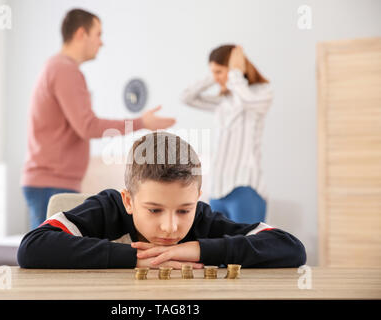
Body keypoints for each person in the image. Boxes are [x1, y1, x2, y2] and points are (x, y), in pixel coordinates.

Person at [17, 131, 306, 269]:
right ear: (128, 200)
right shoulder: (107, 208)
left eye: (184, 210)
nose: (170, 227)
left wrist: (197, 250)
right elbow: (32, 248)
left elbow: (291, 248)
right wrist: (140, 259)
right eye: (154, 210)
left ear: (197, 198)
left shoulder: (203, 218)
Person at [21, 9, 175, 230]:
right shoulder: (65, 70)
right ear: (81, 33)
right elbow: (87, 126)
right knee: (50, 258)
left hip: (48, 180)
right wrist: (141, 123)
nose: (101, 43)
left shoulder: (56, 67)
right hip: (51, 183)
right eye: (98, 34)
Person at [181, 44, 272, 224]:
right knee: (217, 250)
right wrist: (213, 76)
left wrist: (236, 72)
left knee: (247, 249)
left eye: (219, 71)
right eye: (213, 72)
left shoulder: (261, 93)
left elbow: (246, 99)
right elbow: (186, 97)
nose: (217, 78)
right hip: (217, 190)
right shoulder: (223, 101)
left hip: (245, 188)